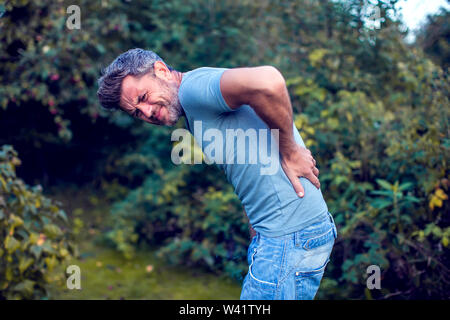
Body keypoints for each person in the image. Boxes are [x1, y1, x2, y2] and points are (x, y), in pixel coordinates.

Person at [97, 48, 337, 300]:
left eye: (143, 97)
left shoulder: (193, 90)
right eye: (136, 112)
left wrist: (289, 150)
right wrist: (257, 233)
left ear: (161, 71)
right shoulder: (193, 109)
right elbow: (247, 164)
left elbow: (270, 80)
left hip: (290, 237)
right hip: (282, 236)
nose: (145, 112)